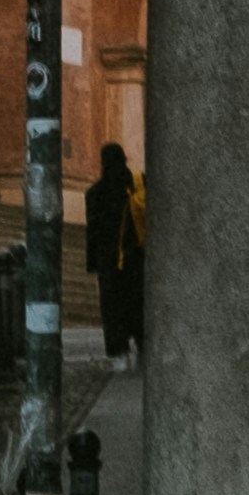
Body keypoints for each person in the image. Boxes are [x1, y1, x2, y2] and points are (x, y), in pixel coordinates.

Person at [85, 141, 143, 366]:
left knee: (113, 308)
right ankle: (142, 348)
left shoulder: (95, 194)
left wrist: (92, 263)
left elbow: (93, 233)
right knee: (136, 304)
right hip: (136, 258)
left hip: (109, 262)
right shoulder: (137, 188)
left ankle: (119, 354)